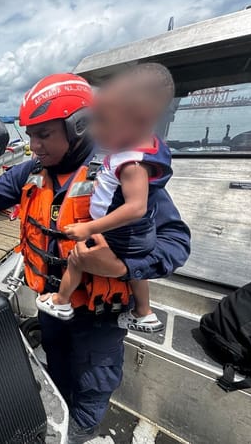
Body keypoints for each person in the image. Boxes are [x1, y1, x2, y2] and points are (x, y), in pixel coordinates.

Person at [0, 73, 190, 443]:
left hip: (98, 318)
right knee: (57, 375)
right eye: (30, 135)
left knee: (90, 391)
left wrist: (121, 267)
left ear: (79, 126)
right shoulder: (31, 171)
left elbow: (176, 241)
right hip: (52, 308)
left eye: (44, 135)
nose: (33, 145)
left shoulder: (121, 171)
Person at [37, 64, 175, 333]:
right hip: (134, 237)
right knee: (139, 273)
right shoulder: (140, 149)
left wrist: (89, 228)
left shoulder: (133, 163)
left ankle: (61, 301)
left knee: (77, 258)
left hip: (124, 234)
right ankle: (144, 312)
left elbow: (136, 208)